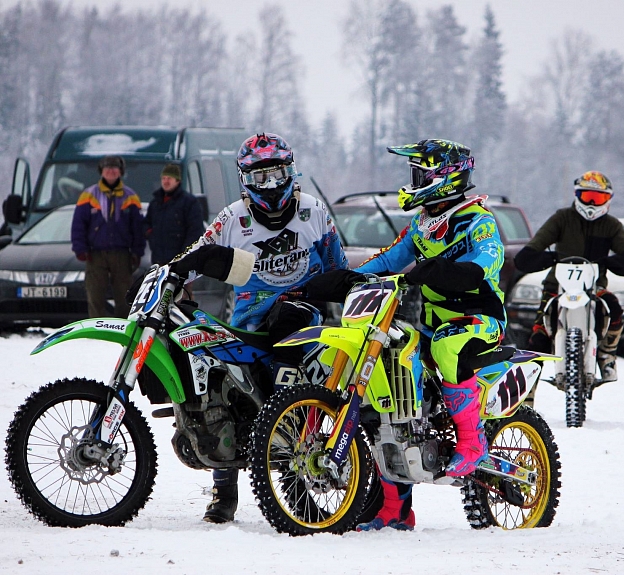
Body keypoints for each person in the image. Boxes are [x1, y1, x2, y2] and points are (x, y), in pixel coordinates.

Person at [169, 133, 348, 523]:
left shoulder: (313, 212)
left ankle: (296, 484)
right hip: (248, 320)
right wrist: (171, 275)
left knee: (287, 392)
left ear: (291, 171)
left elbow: (340, 268)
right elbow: (198, 254)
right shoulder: (233, 218)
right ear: (245, 179)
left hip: (301, 316)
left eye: (278, 174)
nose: (271, 185)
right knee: (222, 395)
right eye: (260, 177)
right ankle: (223, 491)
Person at [350, 139, 506, 531]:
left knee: (446, 342)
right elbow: (390, 259)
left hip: (480, 320)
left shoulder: (478, 220)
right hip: (435, 322)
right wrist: (349, 277)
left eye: (421, 173)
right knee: (392, 379)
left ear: (447, 178)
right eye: (414, 173)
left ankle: (472, 443)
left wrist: (437, 270)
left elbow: (485, 263)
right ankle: (395, 511)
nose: (414, 180)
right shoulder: (422, 223)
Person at [513, 171, 624, 387]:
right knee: (538, 339)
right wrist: (546, 257)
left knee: (614, 309)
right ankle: (526, 400)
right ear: (577, 195)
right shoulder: (562, 218)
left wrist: (614, 261)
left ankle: (606, 355)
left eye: (598, 198)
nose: (592, 202)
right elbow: (533, 247)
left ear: (608, 200)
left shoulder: (611, 226)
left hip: (594, 288)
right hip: (557, 287)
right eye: (587, 196)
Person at [71, 155, 145, 318]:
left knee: (125, 296)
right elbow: (78, 225)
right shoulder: (88, 195)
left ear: (120, 172)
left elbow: (138, 227)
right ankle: (96, 331)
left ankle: (124, 329)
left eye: (114, 168)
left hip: (122, 254)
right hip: (95, 254)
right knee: (95, 295)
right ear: (101, 172)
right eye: (107, 169)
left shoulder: (130, 196)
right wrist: (80, 248)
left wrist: (137, 252)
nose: (111, 172)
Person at [144, 163, 205, 265]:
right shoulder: (155, 203)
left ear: (177, 181)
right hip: (158, 261)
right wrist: (149, 233)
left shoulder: (189, 202)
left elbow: (195, 231)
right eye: (163, 178)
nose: (166, 181)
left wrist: (184, 255)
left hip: (180, 262)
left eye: (169, 178)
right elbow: (146, 223)